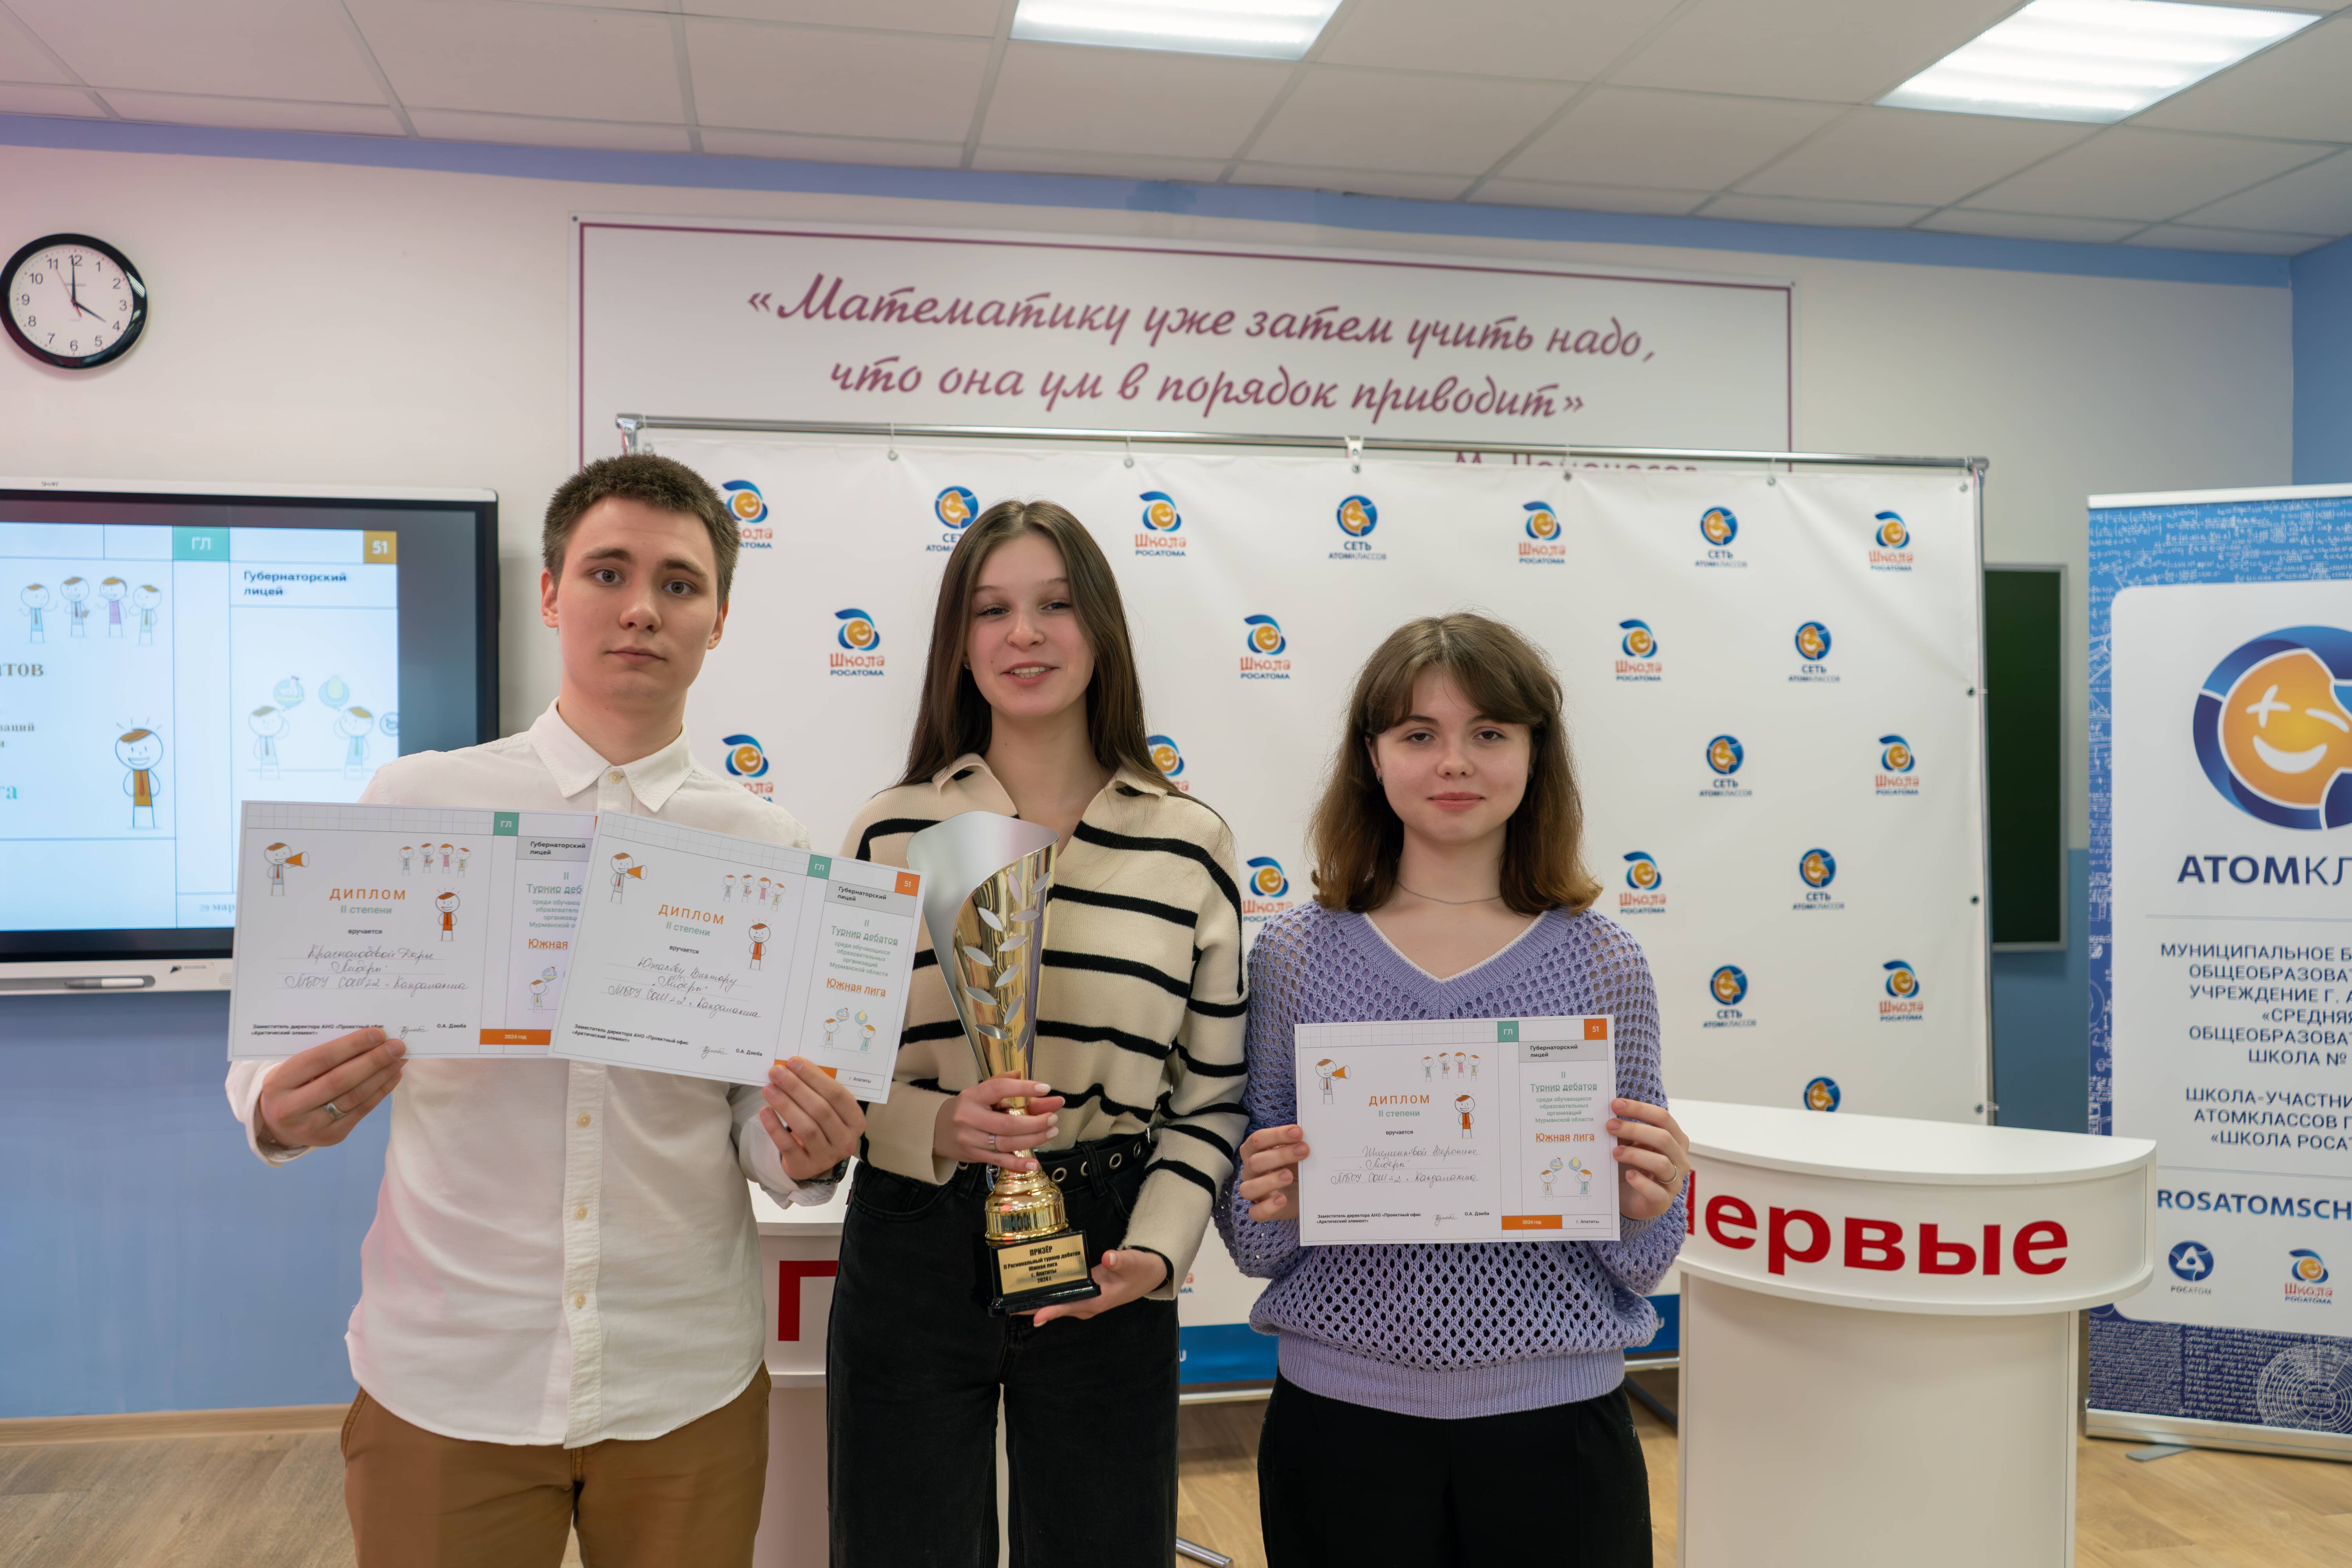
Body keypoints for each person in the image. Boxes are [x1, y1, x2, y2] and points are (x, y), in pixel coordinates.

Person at [223, 453, 862, 1568]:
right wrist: (274, 1107)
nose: (641, 608)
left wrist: (805, 1149)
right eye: (609, 572)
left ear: (717, 620)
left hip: (683, 1381)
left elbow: (752, 1123)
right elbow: (277, 1054)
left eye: (679, 583)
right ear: (552, 593)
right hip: (449, 1373)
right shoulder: (419, 800)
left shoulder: (765, 845)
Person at [1216, 612, 1690, 1568]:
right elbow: (1255, 1237)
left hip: (1558, 1421)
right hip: (1342, 1420)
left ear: (1535, 751)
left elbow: (1643, 1256)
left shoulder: (1606, 961)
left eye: (1489, 731)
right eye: (1418, 733)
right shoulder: (1294, 954)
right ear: (1373, 755)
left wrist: (1650, 1199)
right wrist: (1274, 1193)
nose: (1455, 761)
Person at [830, 499, 1247, 1568]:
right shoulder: (891, 830)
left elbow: (1212, 1099)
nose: (1025, 634)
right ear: (958, 642)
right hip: (915, 1237)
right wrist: (931, 1125)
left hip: (1109, 1240)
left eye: (1057, 605)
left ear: (1100, 629)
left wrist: (1157, 1248)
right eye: (992, 610)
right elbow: (832, 1072)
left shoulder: (1189, 845)